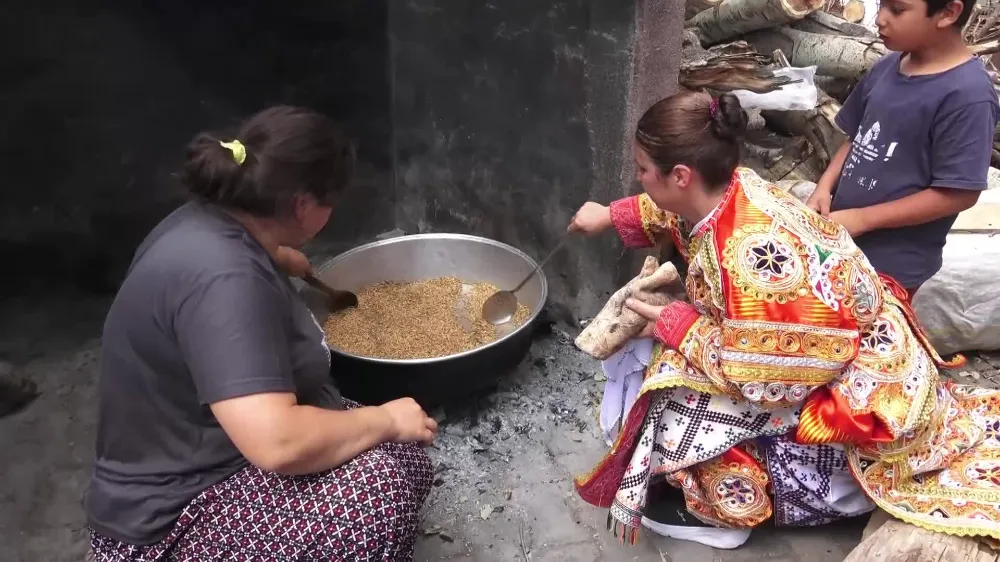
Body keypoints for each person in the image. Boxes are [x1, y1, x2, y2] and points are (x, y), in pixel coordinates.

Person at [567, 89, 1000, 549]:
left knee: (670, 402)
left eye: (641, 169)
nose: (637, 178)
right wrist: (610, 216)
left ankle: (732, 510)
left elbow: (760, 377)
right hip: (814, 352)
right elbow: (675, 212)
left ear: (680, 175)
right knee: (663, 362)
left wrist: (678, 326)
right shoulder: (736, 188)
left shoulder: (749, 259)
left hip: (858, 407)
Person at [85, 106, 438, 561]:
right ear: (303, 206)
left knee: (403, 454)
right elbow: (279, 443)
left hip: (215, 450)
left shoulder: (210, 222)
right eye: (332, 201)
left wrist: (272, 254)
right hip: (170, 520)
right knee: (376, 491)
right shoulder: (226, 279)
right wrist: (384, 419)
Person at [806, 0, 999, 297]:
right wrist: (824, 187)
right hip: (843, 240)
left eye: (897, 10)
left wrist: (862, 219)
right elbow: (857, 136)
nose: (880, 20)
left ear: (948, 13)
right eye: (881, 4)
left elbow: (959, 194)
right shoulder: (886, 67)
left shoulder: (968, 96)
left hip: (891, 266)